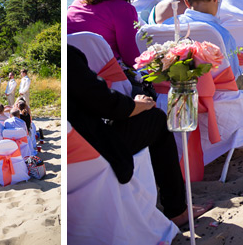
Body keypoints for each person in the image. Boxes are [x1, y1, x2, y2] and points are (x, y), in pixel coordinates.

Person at [69, 44, 210, 228]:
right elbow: (106, 102)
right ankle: (177, 210)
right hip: (91, 149)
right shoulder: (69, 56)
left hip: (73, 148)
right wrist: (137, 105)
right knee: (157, 120)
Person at [167, 0, 243, 146]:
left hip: (176, 89)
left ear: (186, 1)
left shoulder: (167, 26)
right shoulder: (220, 33)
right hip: (217, 88)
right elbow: (234, 75)